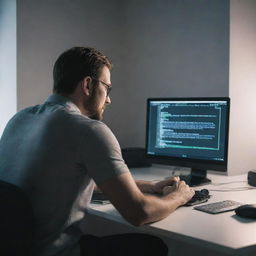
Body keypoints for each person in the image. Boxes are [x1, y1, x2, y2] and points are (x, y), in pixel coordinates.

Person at [0, 47, 195, 256]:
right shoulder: (89, 130)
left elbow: (58, 182)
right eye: (107, 88)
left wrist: (150, 186)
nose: (108, 99)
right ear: (87, 84)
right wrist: (180, 196)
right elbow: (139, 213)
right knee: (152, 245)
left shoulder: (19, 119)